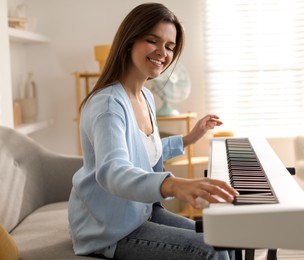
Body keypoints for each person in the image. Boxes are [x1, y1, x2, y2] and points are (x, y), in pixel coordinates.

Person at [68, 3, 238, 260]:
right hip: (110, 228)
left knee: (224, 239)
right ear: (129, 41)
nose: (163, 52)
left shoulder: (146, 96)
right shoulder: (107, 104)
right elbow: (114, 172)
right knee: (210, 251)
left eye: (170, 47)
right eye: (152, 41)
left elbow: (143, 151)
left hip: (142, 211)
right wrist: (172, 184)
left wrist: (189, 138)